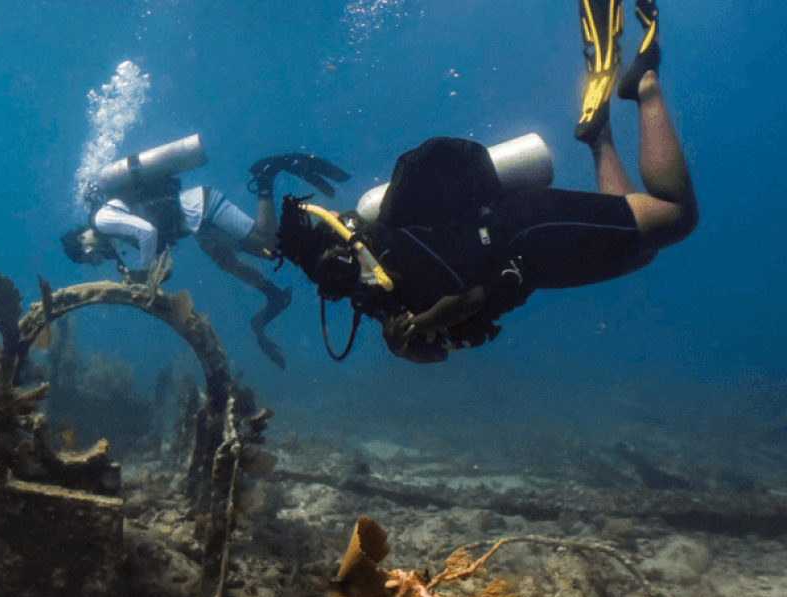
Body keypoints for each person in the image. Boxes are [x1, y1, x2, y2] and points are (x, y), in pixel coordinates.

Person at [272, 0, 695, 365]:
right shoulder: (378, 290)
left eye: (332, 269)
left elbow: (469, 297)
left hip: (529, 231)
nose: (341, 283)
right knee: (642, 252)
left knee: (675, 218)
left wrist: (420, 322)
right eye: (327, 285)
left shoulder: (392, 244)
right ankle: (598, 135)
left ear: (339, 241)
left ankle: (645, 85)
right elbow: (436, 351)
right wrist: (404, 347)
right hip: (534, 267)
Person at [59, 153, 350, 369]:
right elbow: (151, 228)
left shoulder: (102, 220)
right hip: (195, 224)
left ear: (85, 246)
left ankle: (265, 176)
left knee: (267, 243)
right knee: (230, 264)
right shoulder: (105, 222)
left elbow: (147, 232)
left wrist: (146, 274)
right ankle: (273, 295)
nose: (98, 260)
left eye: (92, 260)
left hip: (204, 207)